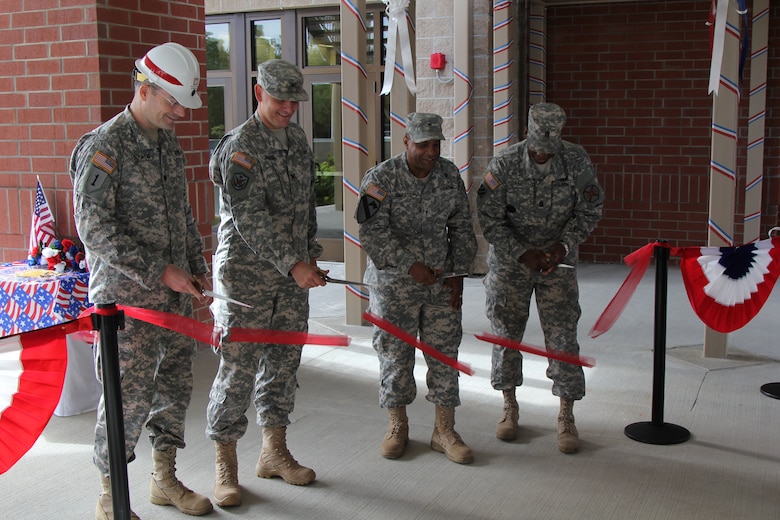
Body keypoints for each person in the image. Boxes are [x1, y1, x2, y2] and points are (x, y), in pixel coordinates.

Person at [69, 42, 213, 519]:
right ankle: (112, 496)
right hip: (126, 304)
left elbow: (182, 213)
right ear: (145, 90)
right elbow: (94, 229)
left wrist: (195, 264)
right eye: (173, 102)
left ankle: (164, 478)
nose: (180, 113)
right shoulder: (104, 146)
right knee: (125, 399)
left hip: (175, 299)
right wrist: (158, 270)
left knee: (173, 389)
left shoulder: (166, 143)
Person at [205, 59, 326, 507]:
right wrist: (293, 262)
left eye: (295, 101)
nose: (289, 109)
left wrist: (309, 251)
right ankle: (226, 465)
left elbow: (307, 203)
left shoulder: (296, 139)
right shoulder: (240, 147)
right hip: (247, 278)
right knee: (238, 368)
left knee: (283, 364)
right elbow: (249, 218)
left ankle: (273, 452)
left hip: (290, 276)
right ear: (259, 93)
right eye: (280, 100)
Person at [476, 102, 604, 454]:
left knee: (563, 336)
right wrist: (520, 251)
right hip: (511, 263)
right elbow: (489, 217)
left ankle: (566, 414)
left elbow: (590, 208)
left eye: (549, 150)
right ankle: (509, 405)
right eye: (537, 149)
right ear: (527, 136)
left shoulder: (576, 161)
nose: (543, 154)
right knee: (507, 335)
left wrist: (563, 246)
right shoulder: (504, 164)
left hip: (556, 263)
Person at [356, 112, 478, 464]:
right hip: (394, 285)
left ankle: (444, 430)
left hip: (440, 283)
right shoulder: (380, 179)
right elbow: (371, 232)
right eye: (422, 144)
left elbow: (462, 227)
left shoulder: (448, 175)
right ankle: (398, 426)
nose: (430, 151)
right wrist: (410, 264)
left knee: (444, 353)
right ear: (406, 141)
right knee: (395, 355)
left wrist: (457, 275)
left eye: (436, 144)